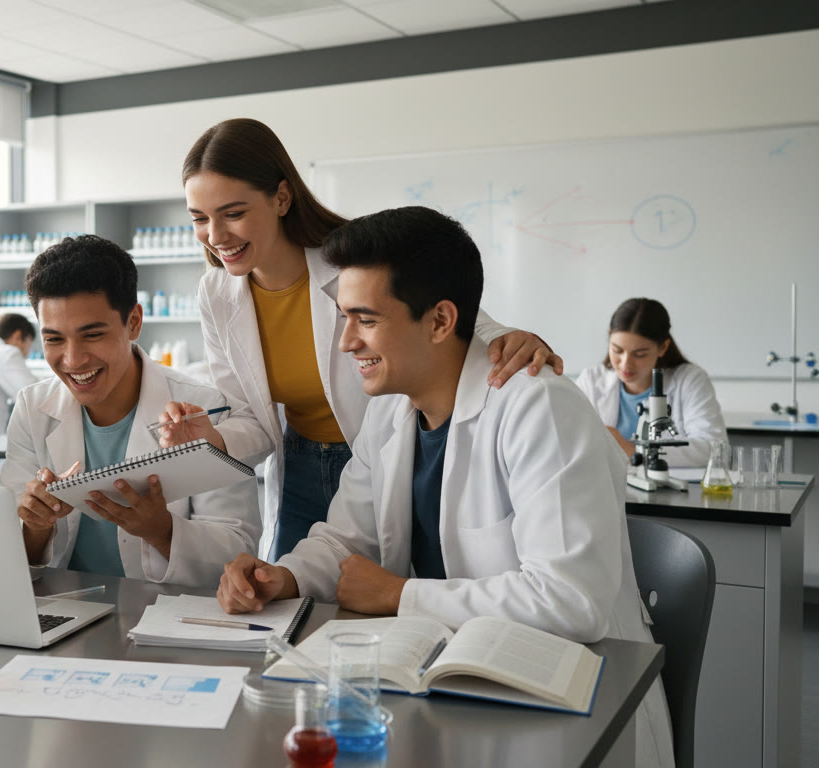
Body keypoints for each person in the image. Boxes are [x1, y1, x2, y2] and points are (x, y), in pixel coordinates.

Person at [215, 207, 673, 768]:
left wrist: (397, 595)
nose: (345, 343)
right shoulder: (389, 414)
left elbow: (570, 600)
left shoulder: (538, 407)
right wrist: (280, 576)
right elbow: (344, 540)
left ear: (439, 321)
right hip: (444, 694)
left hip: (567, 714)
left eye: (365, 319)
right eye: (342, 317)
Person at [161, 117, 561, 560]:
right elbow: (250, 417)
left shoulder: (351, 262)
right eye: (200, 218)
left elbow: (448, 316)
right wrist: (211, 439)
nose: (216, 237)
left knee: (386, 595)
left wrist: (510, 337)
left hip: (381, 456)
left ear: (280, 197)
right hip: (299, 465)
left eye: (233, 214)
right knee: (295, 593)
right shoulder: (216, 294)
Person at [1, 235, 261, 588]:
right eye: (54, 339)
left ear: (134, 322)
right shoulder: (33, 409)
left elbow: (239, 552)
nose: (73, 360)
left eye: (92, 335)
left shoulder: (204, 414)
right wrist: (35, 524)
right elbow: (10, 560)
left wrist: (162, 531)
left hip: (165, 614)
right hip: (63, 611)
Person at [576, 297, 726, 467]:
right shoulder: (591, 380)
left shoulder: (690, 380)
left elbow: (713, 448)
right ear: (609, 338)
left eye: (639, 354)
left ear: (662, 347)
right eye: (617, 350)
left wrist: (634, 451)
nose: (626, 364)